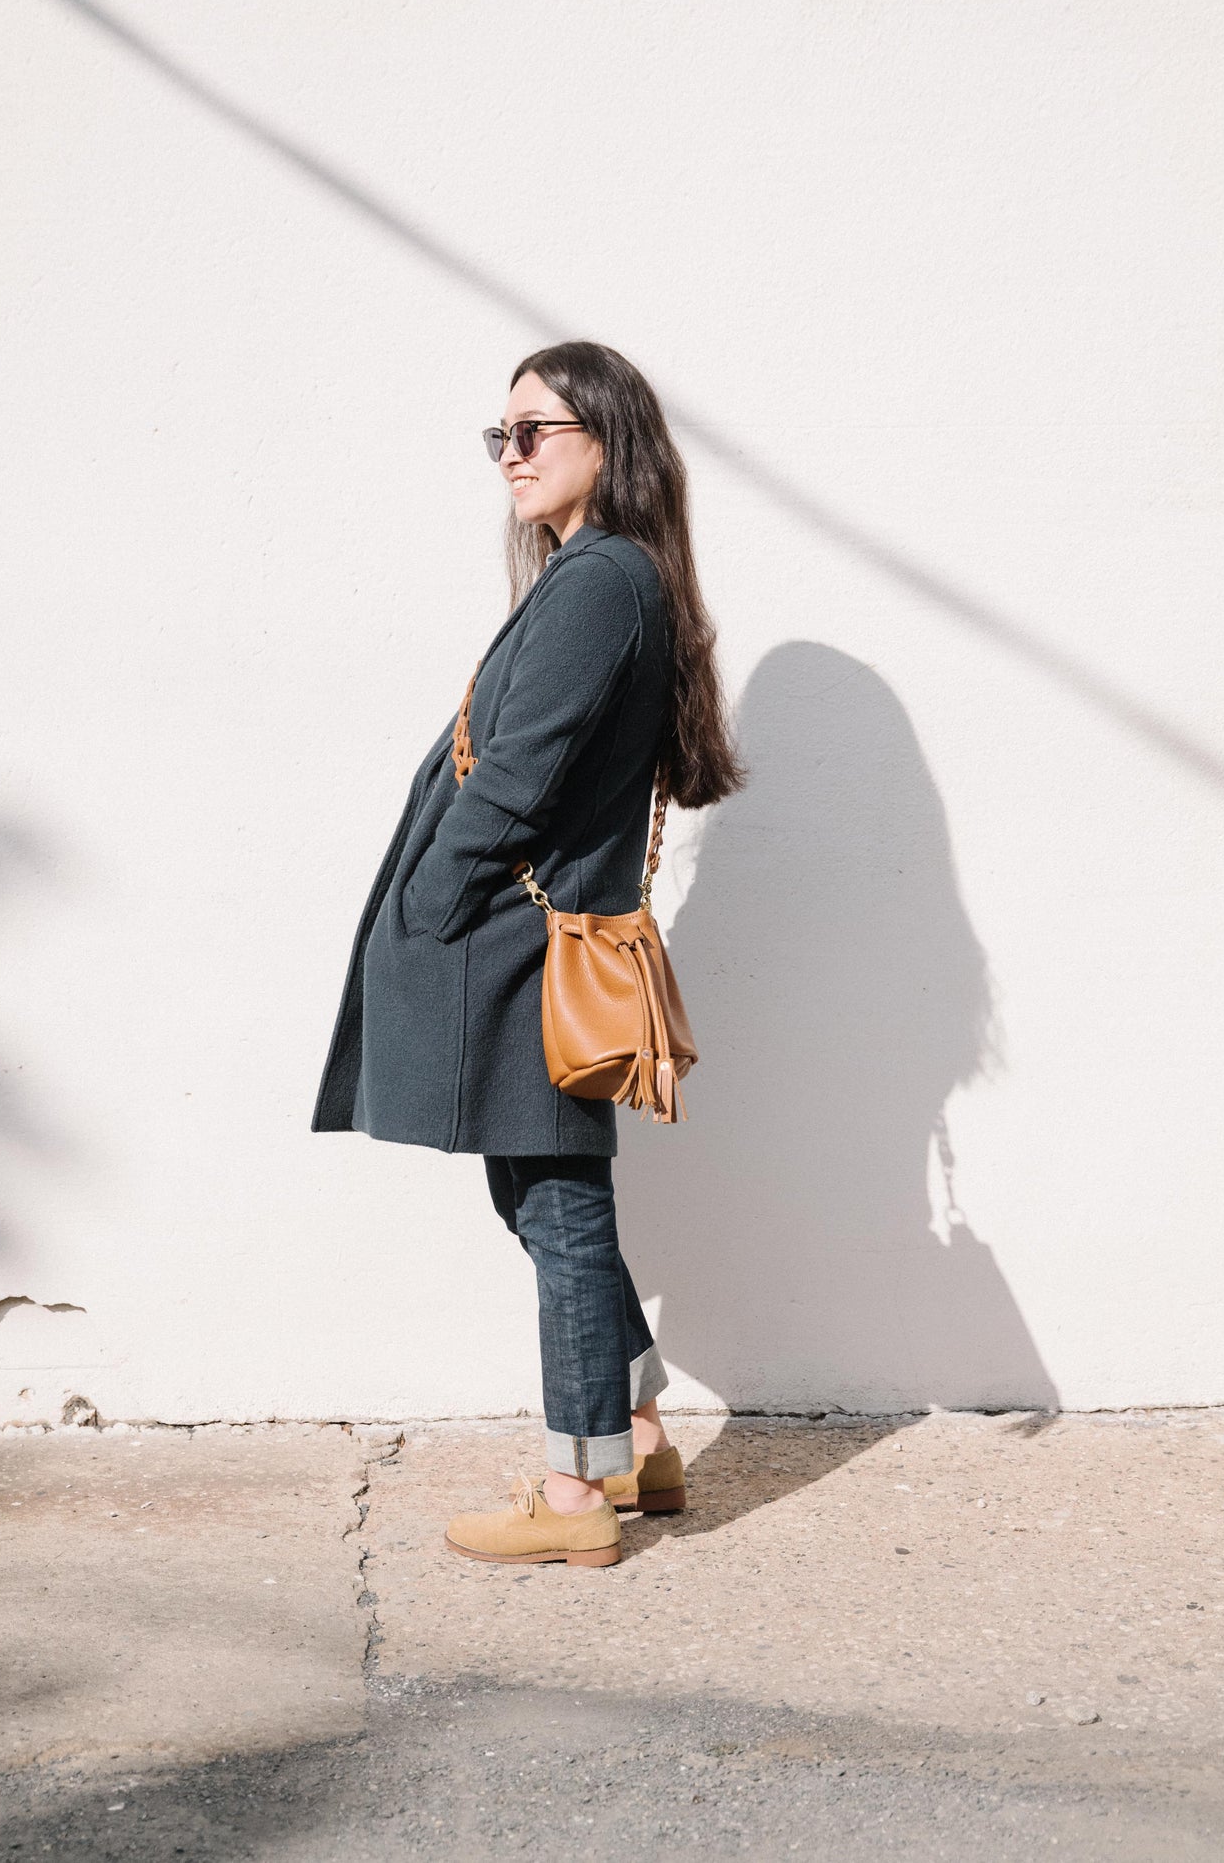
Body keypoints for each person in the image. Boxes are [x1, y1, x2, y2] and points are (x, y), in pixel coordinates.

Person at [311, 341, 744, 1566]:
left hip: (510, 944)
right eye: (498, 433)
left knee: (555, 1209)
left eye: (535, 429)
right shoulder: (603, 576)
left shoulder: (601, 580)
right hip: (517, 939)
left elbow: (520, 772)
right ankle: (642, 1436)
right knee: (540, 1198)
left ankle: (574, 1499)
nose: (510, 453)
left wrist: (435, 897)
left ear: (611, 441)